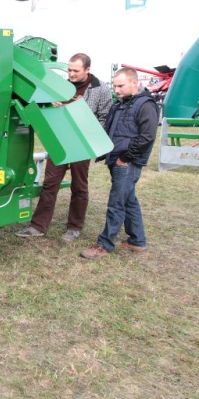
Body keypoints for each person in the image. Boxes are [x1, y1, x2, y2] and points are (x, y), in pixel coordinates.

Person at [16, 53, 113, 242]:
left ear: (87, 70)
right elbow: (42, 106)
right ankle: (38, 226)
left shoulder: (100, 89)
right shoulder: (59, 85)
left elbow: (105, 118)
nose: (71, 74)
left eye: (76, 71)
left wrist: (81, 112)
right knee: (50, 183)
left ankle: (74, 227)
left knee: (79, 186)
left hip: (82, 143)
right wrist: (51, 105)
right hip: (59, 139)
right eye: (69, 69)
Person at [80, 67, 159, 259]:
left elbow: (147, 137)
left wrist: (126, 157)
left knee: (116, 204)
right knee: (129, 201)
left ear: (134, 82)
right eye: (114, 86)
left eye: (121, 86)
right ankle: (137, 241)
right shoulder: (120, 104)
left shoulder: (145, 105)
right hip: (116, 160)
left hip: (127, 163)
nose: (116, 90)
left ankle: (104, 245)